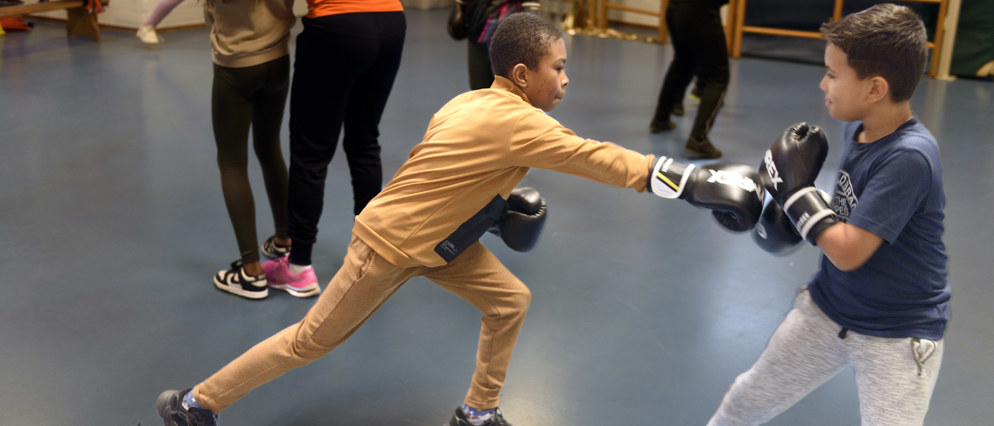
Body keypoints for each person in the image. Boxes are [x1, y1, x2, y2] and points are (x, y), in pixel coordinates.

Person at [157, 13, 766, 426]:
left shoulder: (471, 101)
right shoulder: (523, 123)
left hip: (436, 242)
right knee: (308, 342)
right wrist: (692, 181)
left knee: (509, 300)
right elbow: (597, 158)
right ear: (523, 75)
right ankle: (195, 404)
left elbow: (445, 176)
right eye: (558, 67)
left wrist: (492, 213)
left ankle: (477, 412)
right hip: (388, 247)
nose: (566, 78)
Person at [708, 4, 949, 425]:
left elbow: (849, 252)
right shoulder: (857, 127)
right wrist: (779, 201)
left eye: (833, 75)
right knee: (744, 402)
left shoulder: (910, 157)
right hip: (829, 309)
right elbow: (849, 209)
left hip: (897, 333)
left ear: (875, 88)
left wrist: (797, 194)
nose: (823, 83)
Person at [259, 0, 407, 297]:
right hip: (391, 20)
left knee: (310, 153)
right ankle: (372, 259)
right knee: (364, 142)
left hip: (337, 25)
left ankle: (299, 267)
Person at [205, 0, 297, 300]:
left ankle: (251, 272)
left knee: (231, 162)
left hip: (236, 65)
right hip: (277, 59)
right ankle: (284, 239)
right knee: (270, 147)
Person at [649, 0, 730, 159]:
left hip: (674, 9)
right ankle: (698, 139)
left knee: (683, 62)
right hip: (700, 13)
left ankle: (660, 119)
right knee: (718, 77)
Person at [453, 0, 540, 90]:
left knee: (510, 88)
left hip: (508, 29)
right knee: (479, 88)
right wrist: (460, 4)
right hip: (478, 26)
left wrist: (531, 22)